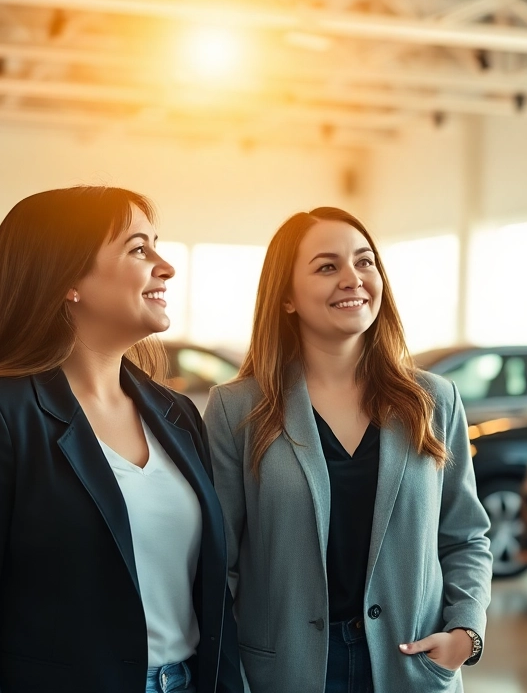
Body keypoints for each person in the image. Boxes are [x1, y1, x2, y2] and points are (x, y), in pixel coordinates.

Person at [0, 186, 241, 693]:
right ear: (68, 279)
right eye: (139, 249)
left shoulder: (176, 414)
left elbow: (210, 593)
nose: (166, 266)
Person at [205, 207, 492, 693]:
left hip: (411, 666)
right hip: (284, 673)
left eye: (365, 262)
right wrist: (230, 674)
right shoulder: (238, 410)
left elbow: (465, 535)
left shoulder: (433, 401)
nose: (352, 279)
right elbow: (219, 565)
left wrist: (467, 632)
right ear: (287, 297)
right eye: (326, 266)